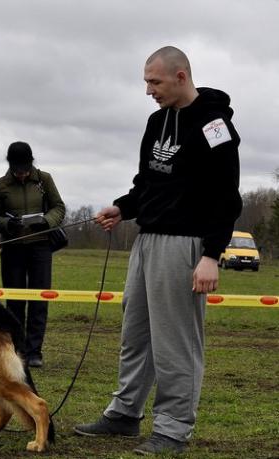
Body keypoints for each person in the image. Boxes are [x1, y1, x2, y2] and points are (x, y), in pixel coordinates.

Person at [74, 46, 242, 455]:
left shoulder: (214, 124)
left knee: (175, 342)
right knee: (136, 336)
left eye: (155, 82)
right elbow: (147, 183)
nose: (149, 90)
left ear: (181, 76)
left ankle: (172, 428)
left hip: (186, 245)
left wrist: (210, 254)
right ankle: (125, 414)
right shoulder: (155, 121)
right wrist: (123, 207)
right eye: (146, 82)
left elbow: (227, 197)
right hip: (147, 241)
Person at [0, 141, 65, 368]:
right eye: (17, 169)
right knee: (15, 302)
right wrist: (8, 224)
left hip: (41, 248)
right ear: (10, 166)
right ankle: (17, 349)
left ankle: (34, 352)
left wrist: (46, 221)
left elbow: (59, 207)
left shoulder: (45, 180)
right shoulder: (0, 185)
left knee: (40, 300)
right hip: (12, 248)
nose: (22, 174)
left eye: (25, 169)